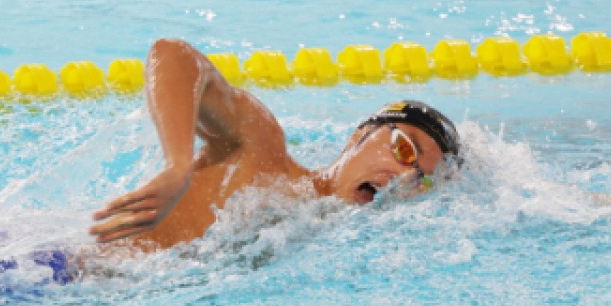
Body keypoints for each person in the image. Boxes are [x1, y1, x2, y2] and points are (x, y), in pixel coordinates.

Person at [89, 38, 461, 249]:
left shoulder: (314, 240)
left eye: (419, 179)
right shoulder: (262, 149)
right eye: (404, 148)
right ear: (359, 135)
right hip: (54, 278)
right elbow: (172, 54)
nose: (400, 175)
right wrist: (177, 165)